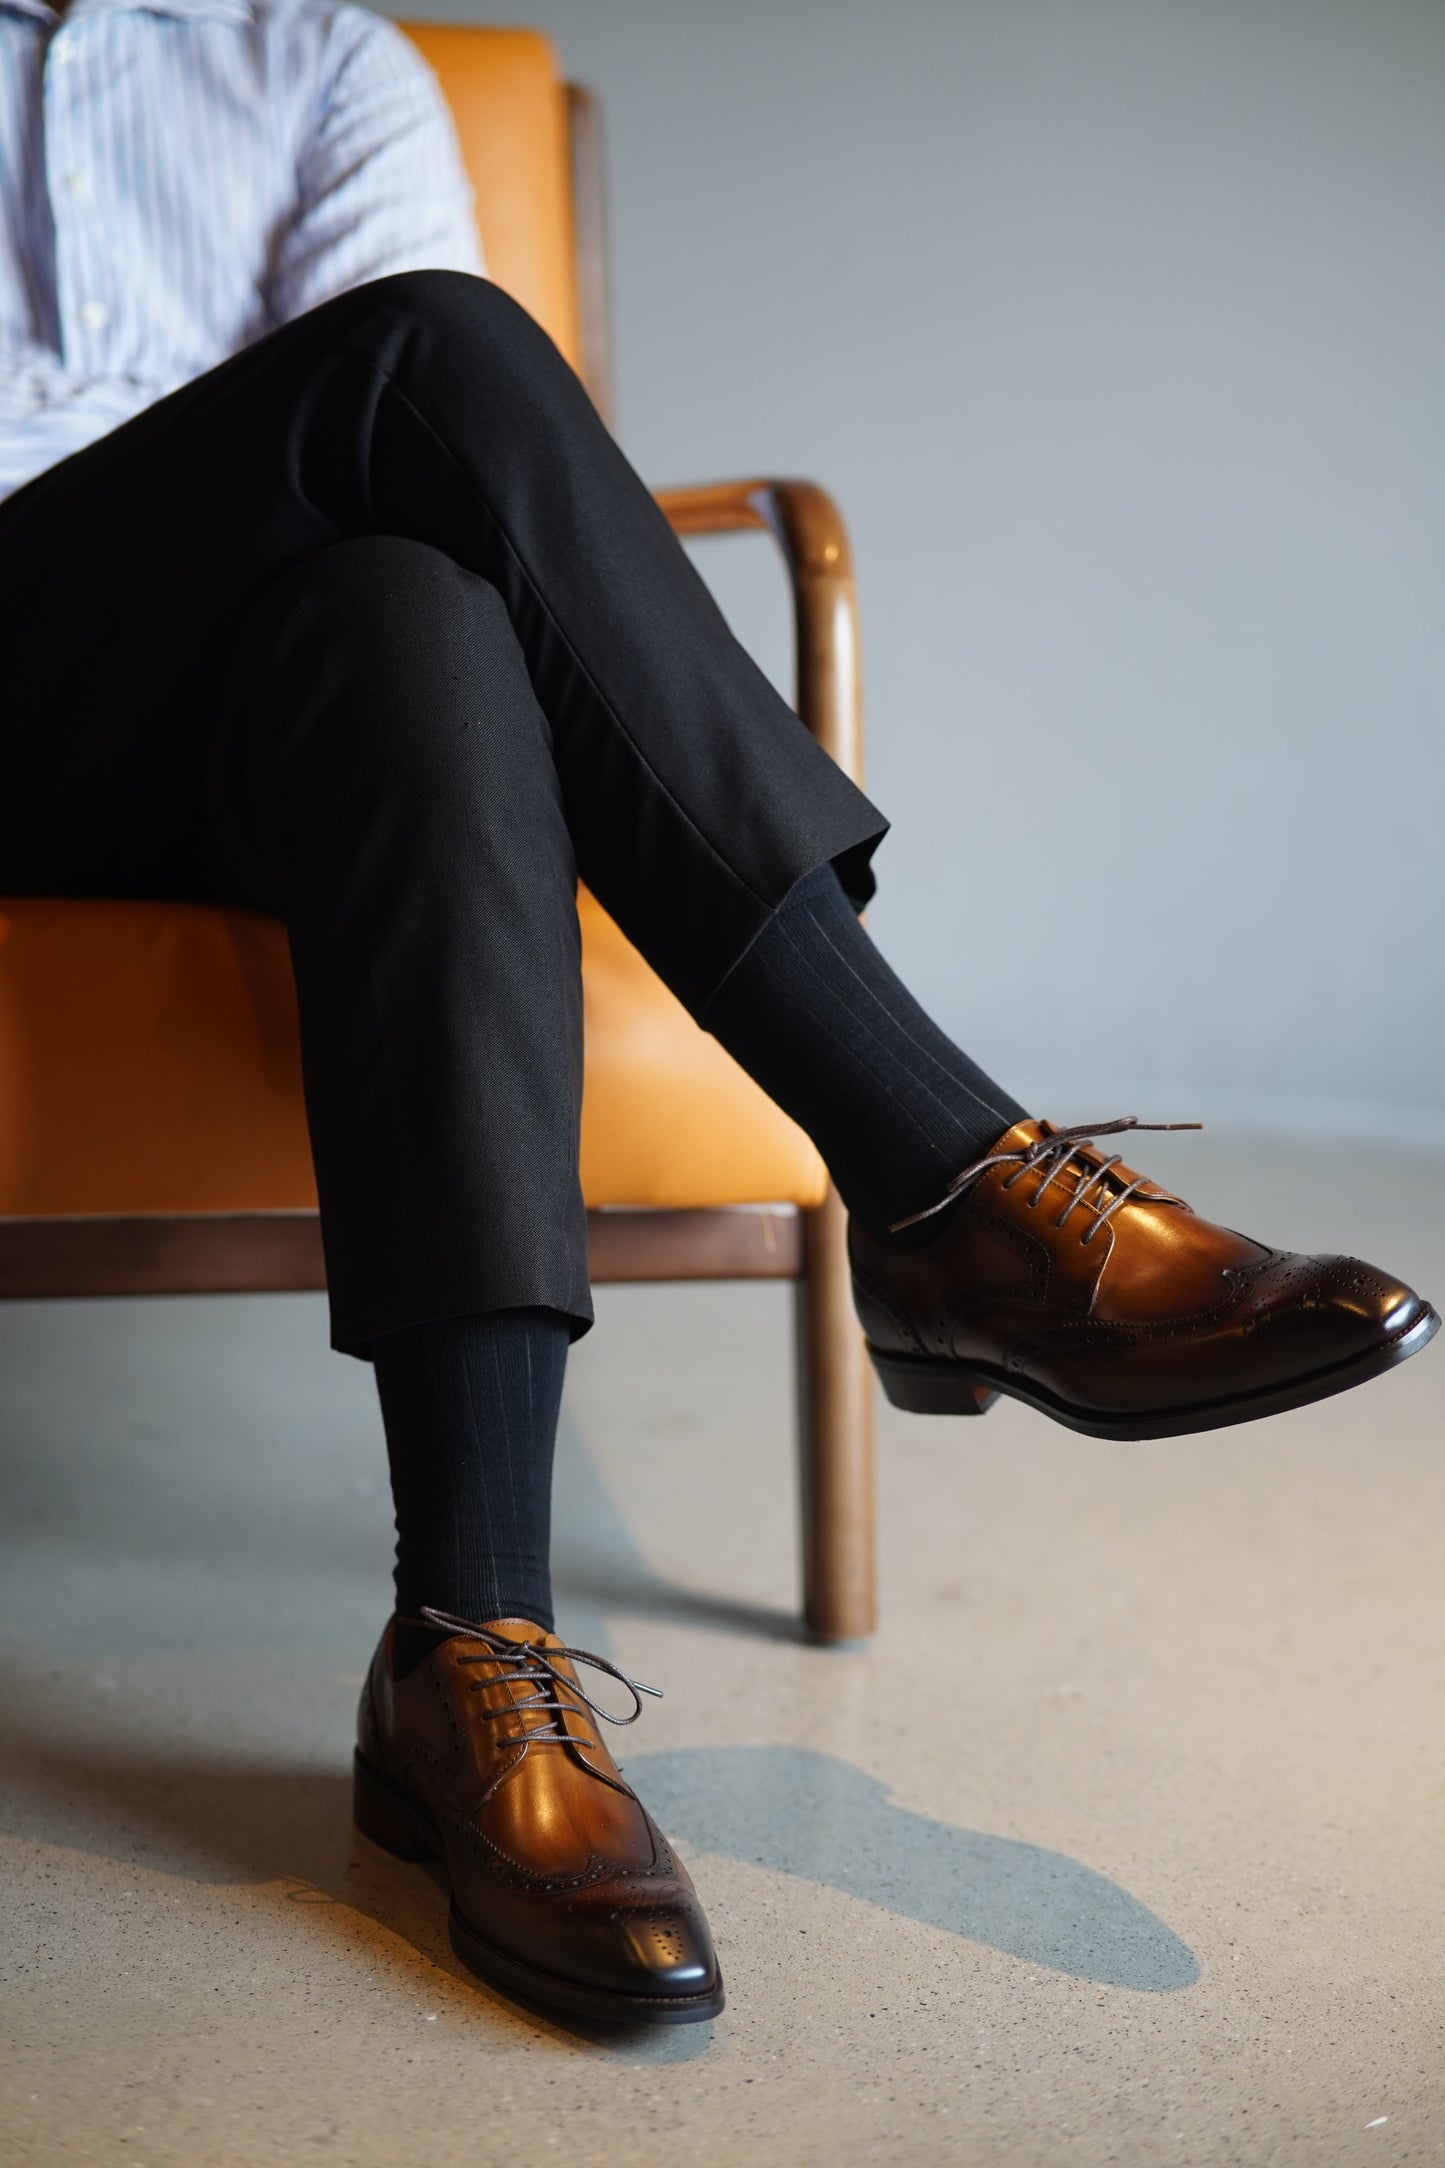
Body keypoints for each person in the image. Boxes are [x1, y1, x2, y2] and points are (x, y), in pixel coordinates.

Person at [1, 0, 1435, 2029]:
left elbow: (394, 493)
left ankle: (467, 1651)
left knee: (417, 611)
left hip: (241, 697)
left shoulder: (311, 64)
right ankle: (951, 1185)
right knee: (432, 355)